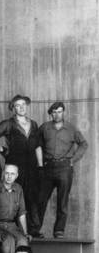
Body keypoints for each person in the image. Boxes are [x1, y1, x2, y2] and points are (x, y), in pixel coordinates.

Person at [36, 101, 88, 239]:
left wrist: (73, 160)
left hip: (65, 167)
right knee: (40, 199)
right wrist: (40, 164)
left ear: (63, 112)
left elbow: (83, 144)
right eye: (54, 112)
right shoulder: (44, 128)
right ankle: (34, 229)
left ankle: (59, 230)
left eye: (59, 111)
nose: (57, 114)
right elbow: (36, 144)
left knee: (62, 201)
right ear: (50, 114)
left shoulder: (71, 128)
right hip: (48, 167)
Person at [0, 94, 41, 236]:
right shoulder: (8, 123)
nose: (21, 107)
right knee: (14, 196)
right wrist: (3, 151)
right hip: (15, 165)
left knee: (32, 197)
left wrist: (40, 166)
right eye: (17, 105)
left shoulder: (33, 124)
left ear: (27, 106)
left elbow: (38, 146)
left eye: (23, 104)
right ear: (13, 108)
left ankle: (33, 230)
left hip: (32, 167)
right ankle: (14, 230)